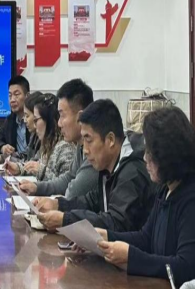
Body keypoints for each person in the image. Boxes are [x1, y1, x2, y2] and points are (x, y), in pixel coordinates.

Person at [94, 107, 195, 284]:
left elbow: (186, 267)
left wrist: (131, 257)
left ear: (168, 155)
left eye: (150, 153)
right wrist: (106, 236)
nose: (145, 158)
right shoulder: (166, 188)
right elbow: (146, 237)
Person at [35, 99, 153, 232]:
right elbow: (92, 201)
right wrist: (58, 204)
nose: (85, 150)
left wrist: (65, 220)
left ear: (110, 140)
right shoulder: (108, 167)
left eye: (89, 140)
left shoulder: (132, 172)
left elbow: (115, 223)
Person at [19, 78, 98, 199]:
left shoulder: (94, 150)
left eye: (62, 116)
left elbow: (72, 192)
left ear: (80, 117)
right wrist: (36, 187)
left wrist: (55, 203)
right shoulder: (80, 146)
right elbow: (67, 179)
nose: (59, 123)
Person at [5, 94, 76, 182]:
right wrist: (19, 169)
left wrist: (41, 171)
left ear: (48, 120)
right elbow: (33, 165)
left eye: (36, 120)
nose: (35, 126)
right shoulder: (48, 144)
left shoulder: (66, 148)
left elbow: (66, 185)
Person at [0, 91, 42, 166]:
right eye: (10, 95)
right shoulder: (34, 135)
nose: (25, 120)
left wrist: (18, 168)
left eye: (27, 116)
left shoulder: (48, 140)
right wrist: (2, 158)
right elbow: (26, 157)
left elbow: (34, 164)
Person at [0, 76, 30, 157]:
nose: (12, 100)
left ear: (27, 96)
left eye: (16, 94)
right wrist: (2, 148)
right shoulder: (10, 120)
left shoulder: (34, 119)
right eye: (10, 95)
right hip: (17, 163)